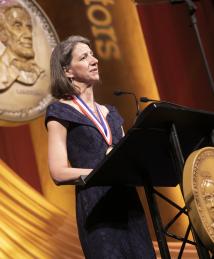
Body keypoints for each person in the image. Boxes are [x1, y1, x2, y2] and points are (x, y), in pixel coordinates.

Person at [45, 35, 156, 258]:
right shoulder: (59, 112)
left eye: (93, 54)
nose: (94, 60)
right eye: (84, 57)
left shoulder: (112, 114)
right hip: (97, 209)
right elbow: (58, 172)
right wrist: (105, 172)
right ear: (68, 71)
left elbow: (126, 162)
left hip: (129, 206)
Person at [0, 2, 44, 93]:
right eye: (18, 26)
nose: (29, 35)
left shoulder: (41, 72)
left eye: (29, 27)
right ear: (3, 34)